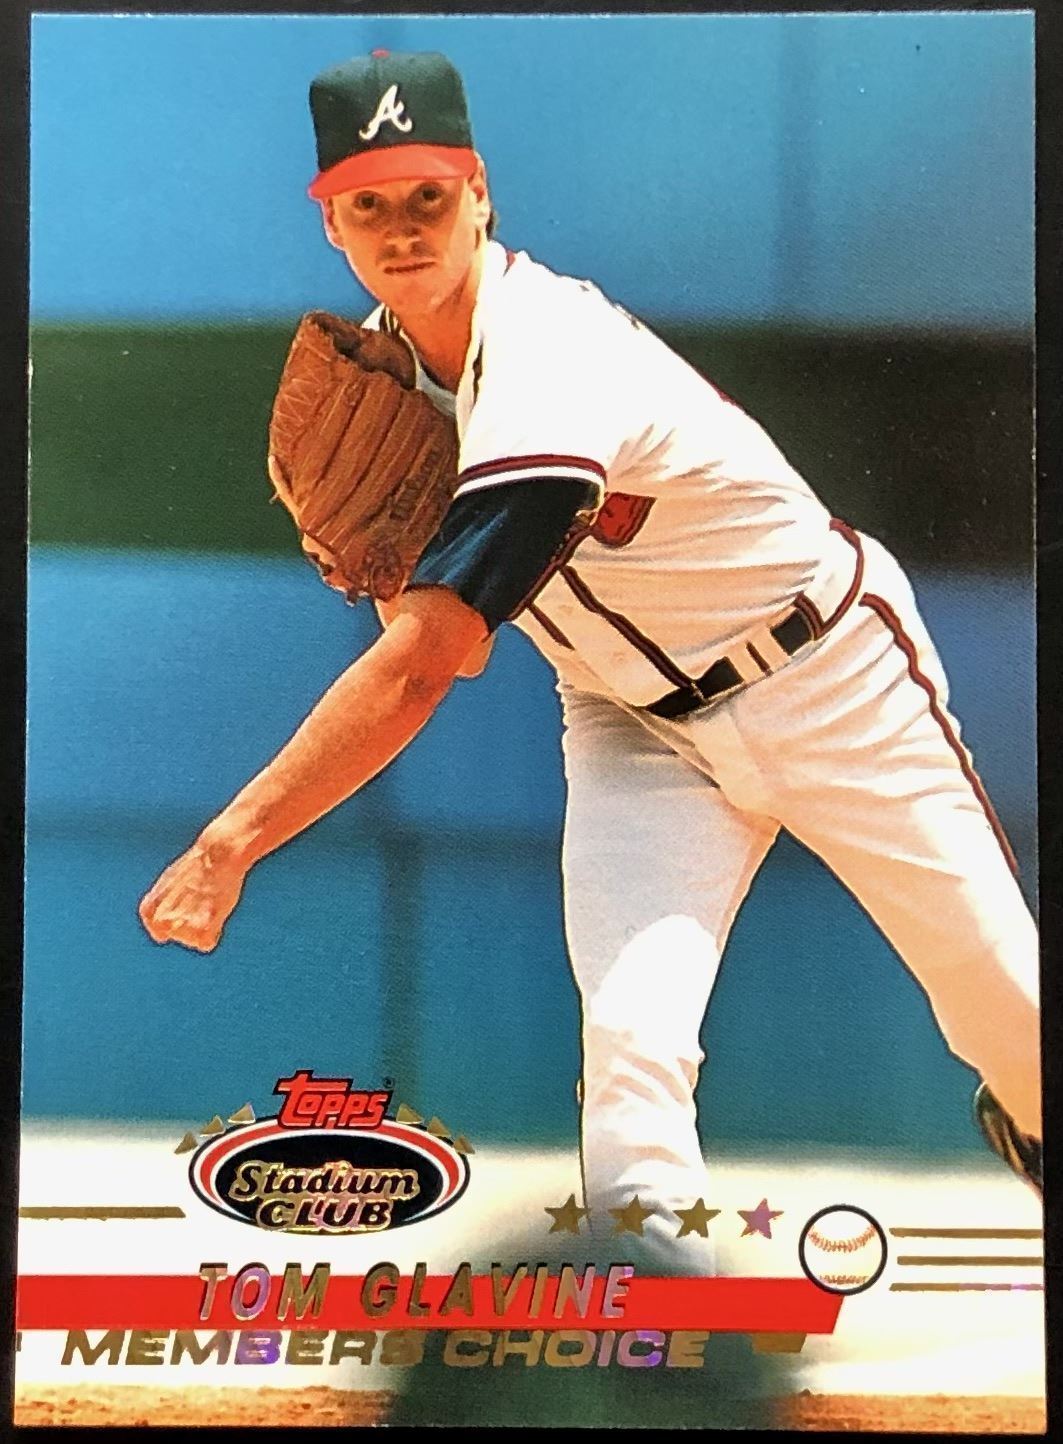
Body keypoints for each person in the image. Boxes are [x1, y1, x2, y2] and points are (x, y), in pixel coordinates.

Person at [139, 51, 1043, 1265]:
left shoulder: (548, 356)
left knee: (1003, 1005)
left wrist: (231, 839)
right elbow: (443, 645)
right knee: (630, 1037)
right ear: (330, 222)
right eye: (368, 203)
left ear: (479, 193)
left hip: (826, 675)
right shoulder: (385, 372)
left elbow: (425, 665)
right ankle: (655, 1306)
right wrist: (408, 582)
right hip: (632, 720)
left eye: (427, 196)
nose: (401, 229)